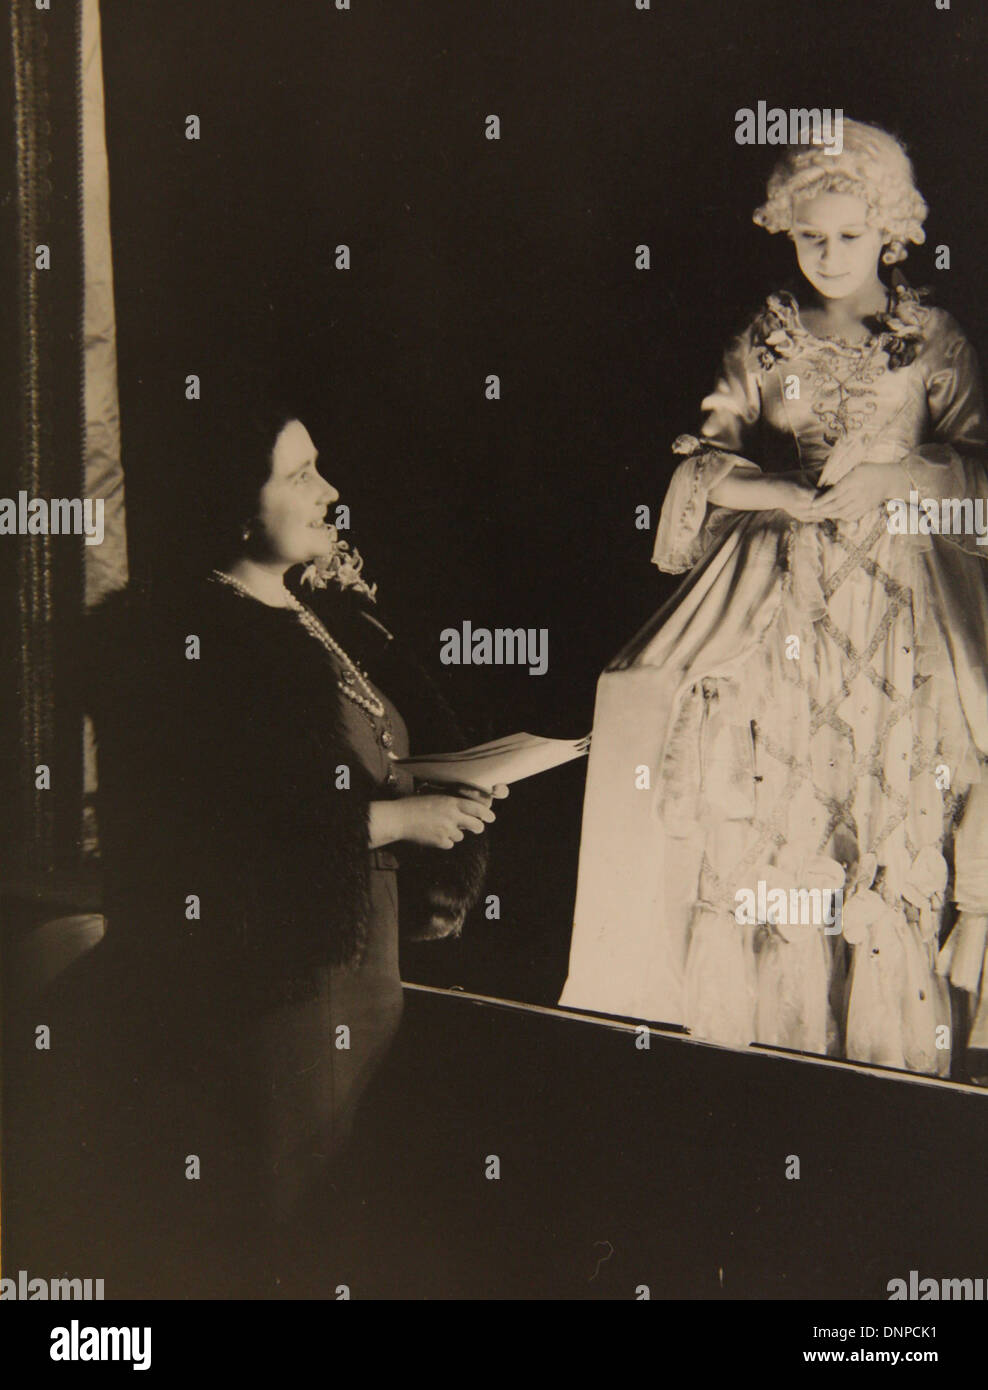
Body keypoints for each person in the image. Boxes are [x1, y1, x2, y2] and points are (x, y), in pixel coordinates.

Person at [21, 398, 507, 1293]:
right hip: (278, 989)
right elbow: (208, 840)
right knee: (278, 1228)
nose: (328, 491)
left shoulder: (324, 616)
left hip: (364, 970)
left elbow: (364, 762)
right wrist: (402, 822)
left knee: (340, 1224)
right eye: (298, 475)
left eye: (319, 466)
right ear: (237, 505)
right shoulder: (184, 646)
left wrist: (453, 785)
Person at [560, 120, 988, 1081]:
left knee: (893, 812)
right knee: (733, 778)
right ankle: (761, 1073)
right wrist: (782, 491)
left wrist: (903, 474)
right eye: (809, 237)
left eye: (847, 235)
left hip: (903, 597)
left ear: (888, 231)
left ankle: (893, 1083)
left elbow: (980, 472)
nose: (828, 255)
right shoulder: (763, 339)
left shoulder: (934, 342)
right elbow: (702, 462)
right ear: (785, 231)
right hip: (780, 586)